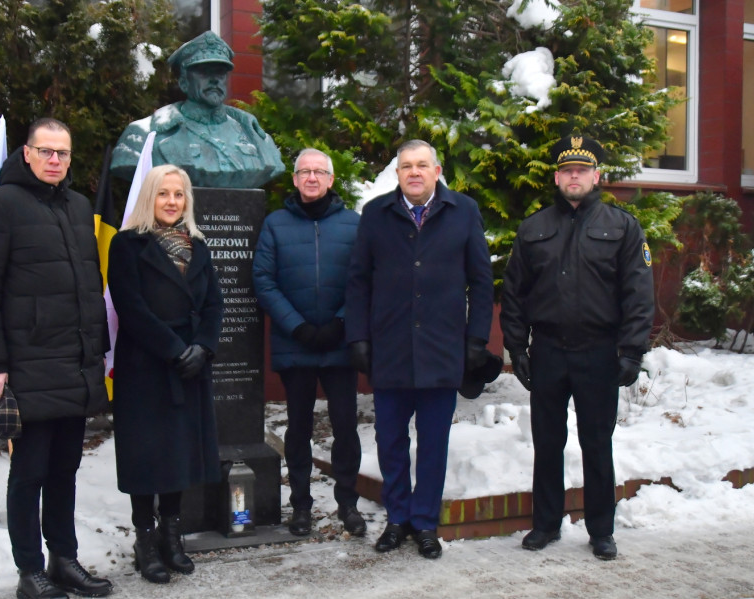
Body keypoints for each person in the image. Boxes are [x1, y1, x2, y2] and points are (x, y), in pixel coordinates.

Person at [0, 118, 112, 599]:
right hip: (26, 364)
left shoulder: (78, 207)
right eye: (46, 151)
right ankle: (29, 569)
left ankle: (63, 560)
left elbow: (89, 287)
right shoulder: (1, 206)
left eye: (63, 153)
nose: (55, 160)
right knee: (29, 471)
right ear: (26, 153)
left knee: (66, 468)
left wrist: (97, 352)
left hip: (74, 363)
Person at [500, 135, 654, 561]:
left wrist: (631, 351)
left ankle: (601, 529)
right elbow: (514, 295)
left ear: (595, 176)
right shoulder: (534, 228)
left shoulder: (622, 227)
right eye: (567, 170)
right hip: (548, 351)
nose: (574, 176)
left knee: (596, 443)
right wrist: (519, 349)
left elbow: (638, 295)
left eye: (582, 171)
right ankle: (546, 525)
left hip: (598, 352)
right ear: (556, 177)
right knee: (547, 442)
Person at [346, 140, 494, 559]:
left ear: (436, 170)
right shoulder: (376, 214)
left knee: (433, 442)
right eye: (406, 166)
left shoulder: (463, 211)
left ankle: (425, 522)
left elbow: (481, 282)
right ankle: (397, 518)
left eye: (422, 165)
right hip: (390, 348)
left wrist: (476, 340)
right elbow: (358, 281)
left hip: (442, 348)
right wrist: (358, 337)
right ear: (397, 173)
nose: (414, 172)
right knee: (390, 440)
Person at [106, 164, 223, 584]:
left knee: (178, 453)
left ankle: (173, 535)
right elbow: (131, 308)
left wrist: (204, 348)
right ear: (149, 198)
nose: (172, 202)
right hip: (147, 366)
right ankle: (145, 538)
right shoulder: (127, 245)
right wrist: (175, 350)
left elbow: (214, 305)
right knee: (146, 455)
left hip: (191, 366)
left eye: (179, 194)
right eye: (163, 194)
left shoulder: (199, 246)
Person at [253, 148, 364, 538]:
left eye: (320, 172)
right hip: (295, 342)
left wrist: (341, 323)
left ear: (331, 180)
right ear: (295, 180)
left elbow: (365, 279)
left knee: (345, 426)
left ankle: (347, 503)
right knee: (297, 427)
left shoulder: (354, 224)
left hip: (339, 343)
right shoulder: (275, 224)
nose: (312, 178)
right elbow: (264, 280)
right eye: (304, 172)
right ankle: (300, 505)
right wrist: (297, 327)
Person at [110, 31, 284, 188]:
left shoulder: (256, 137)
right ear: (184, 82)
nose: (215, 80)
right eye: (204, 72)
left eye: (221, 73)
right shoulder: (143, 136)